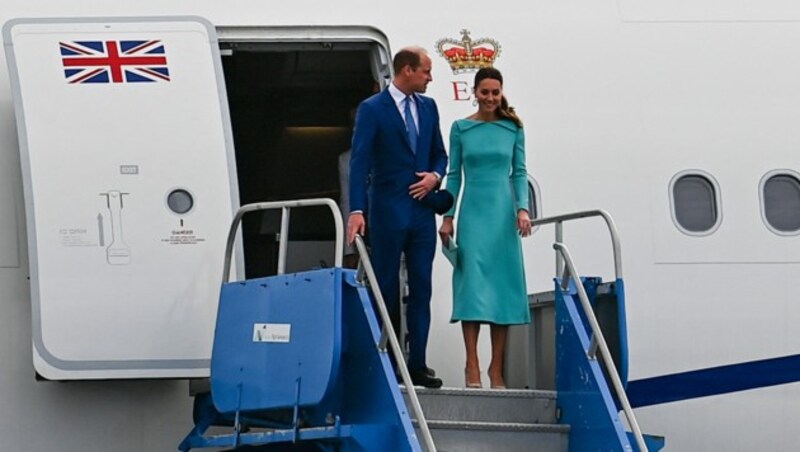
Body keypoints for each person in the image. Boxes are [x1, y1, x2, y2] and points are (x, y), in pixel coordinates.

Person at [348, 46, 449, 388]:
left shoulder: (429, 107)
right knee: (386, 287)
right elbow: (359, 161)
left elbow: (440, 153)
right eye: (426, 71)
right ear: (407, 70)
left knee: (422, 287)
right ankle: (389, 363)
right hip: (388, 211)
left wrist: (435, 176)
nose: (430, 78)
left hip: (422, 214)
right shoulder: (373, 109)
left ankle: (417, 363)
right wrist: (357, 210)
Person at [438, 67, 532, 390]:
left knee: (502, 290)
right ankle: (472, 364)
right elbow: (454, 175)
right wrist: (448, 215)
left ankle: (496, 369)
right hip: (474, 215)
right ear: (474, 92)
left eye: (495, 92)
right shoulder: (461, 129)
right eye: (484, 92)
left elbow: (519, 173)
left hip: (502, 215)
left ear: (501, 92)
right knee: (473, 287)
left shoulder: (513, 129)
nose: (490, 98)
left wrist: (522, 209)